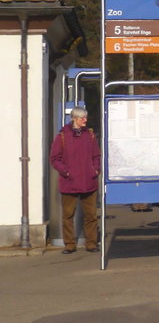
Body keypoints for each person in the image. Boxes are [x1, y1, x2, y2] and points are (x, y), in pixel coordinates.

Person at [49, 107, 101, 254]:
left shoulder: (90, 135)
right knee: (68, 216)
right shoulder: (62, 136)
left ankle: (91, 243)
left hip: (89, 182)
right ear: (74, 118)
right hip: (69, 183)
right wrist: (66, 171)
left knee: (91, 215)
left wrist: (96, 170)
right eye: (82, 117)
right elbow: (54, 158)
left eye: (85, 117)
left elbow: (97, 156)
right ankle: (69, 244)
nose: (85, 120)